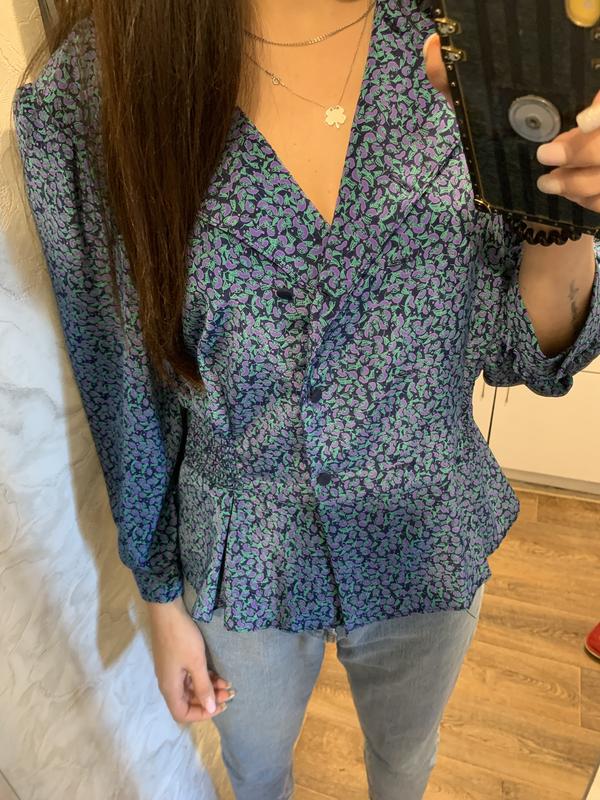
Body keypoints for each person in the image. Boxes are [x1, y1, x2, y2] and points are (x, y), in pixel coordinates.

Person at [12, 1, 600, 798]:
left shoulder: (473, 29)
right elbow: (123, 382)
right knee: (257, 774)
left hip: (422, 532)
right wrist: (160, 599)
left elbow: (519, 346)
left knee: (405, 761)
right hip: (241, 556)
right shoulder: (103, 79)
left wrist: (568, 209)